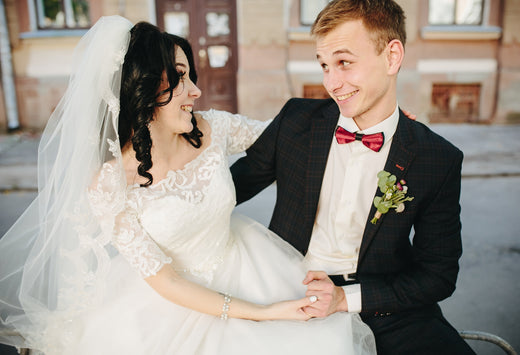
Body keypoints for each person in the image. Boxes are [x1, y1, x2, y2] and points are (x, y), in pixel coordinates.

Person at [0, 16, 377, 354]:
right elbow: (166, 281)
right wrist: (263, 313)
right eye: (180, 78)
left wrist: (368, 121)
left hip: (251, 264)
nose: (195, 91)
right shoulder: (109, 185)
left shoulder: (212, 129)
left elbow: (288, 136)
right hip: (171, 304)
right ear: (145, 88)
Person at [231, 0, 475, 354]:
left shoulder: (436, 157)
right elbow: (229, 189)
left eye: (344, 63)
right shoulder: (297, 121)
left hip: (387, 305)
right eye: (325, 66)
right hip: (289, 294)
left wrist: (346, 298)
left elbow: (437, 276)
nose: (332, 83)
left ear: (392, 57)